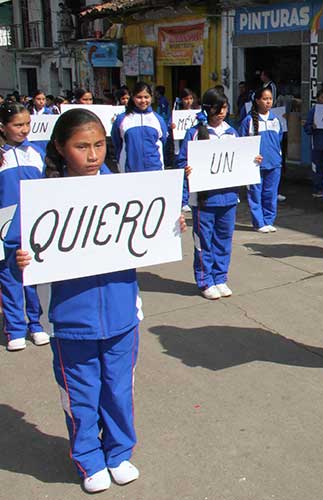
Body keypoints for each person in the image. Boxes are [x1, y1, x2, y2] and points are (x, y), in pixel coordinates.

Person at [6, 108, 186, 493]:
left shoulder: (120, 189)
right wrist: (21, 257)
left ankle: (119, 452)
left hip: (122, 314)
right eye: (82, 146)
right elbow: (16, 247)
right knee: (81, 395)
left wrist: (172, 223)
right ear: (60, 147)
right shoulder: (42, 196)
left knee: (119, 390)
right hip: (70, 321)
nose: (92, 155)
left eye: (100, 145)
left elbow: (149, 229)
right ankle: (88, 458)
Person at [178, 89, 256, 299]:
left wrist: (253, 161)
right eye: (217, 108)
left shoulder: (232, 132)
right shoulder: (194, 133)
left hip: (228, 197)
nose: (221, 112)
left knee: (223, 239)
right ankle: (205, 280)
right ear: (207, 108)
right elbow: (182, 160)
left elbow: (241, 160)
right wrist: (186, 169)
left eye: (224, 108)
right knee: (204, 241)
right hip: (204, 199)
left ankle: (220, 277)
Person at [0, 102, 48, 351]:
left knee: (34, 279)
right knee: (10, 280)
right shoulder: (1, 155)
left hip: (35, 227)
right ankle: (16, 328)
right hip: (6, 229)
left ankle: (37, 324)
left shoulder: (37, 152)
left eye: (28, 123)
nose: (24, 129)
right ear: (3, 127)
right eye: (18, 125)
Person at [239, 86, 284, 232]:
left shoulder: (276, 119)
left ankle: (269, 220)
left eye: (270, 99)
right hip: (255, 164)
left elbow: (280, 139)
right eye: (265, 99)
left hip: (274, 163)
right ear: (257, 100)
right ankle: (258, 222)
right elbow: (242, 142)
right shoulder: (249, 120)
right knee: (255, 193)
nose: (268, 102)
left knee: (270, 193)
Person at [111, 82, 168, 173]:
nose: (143, 100)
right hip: (129, 171)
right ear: (133, 97)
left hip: (154, 170)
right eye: (139, 97)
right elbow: (117, 143)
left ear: (151, 97)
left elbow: (163, 142)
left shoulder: (158, 119)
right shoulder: (121, 119)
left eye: (146, 97)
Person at [304, 89, 323, 198]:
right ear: (317, 99)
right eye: (322, 97)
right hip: (316, 143)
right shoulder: (314, 111)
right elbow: (306, 127)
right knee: (317, 166)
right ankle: (317, 188)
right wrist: (312, 127)